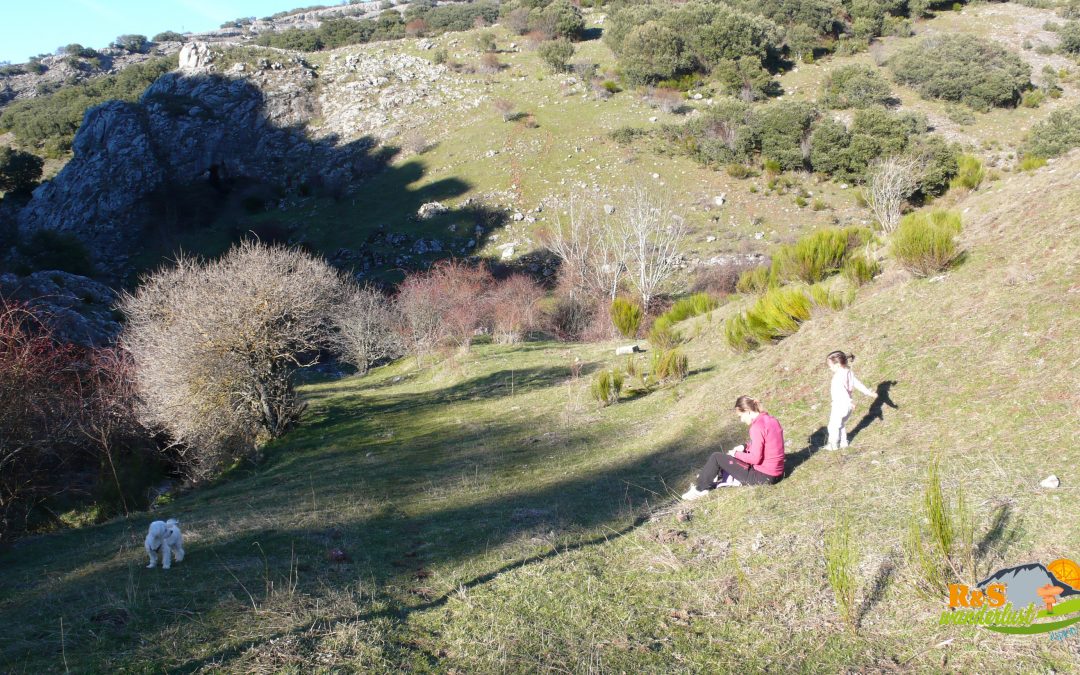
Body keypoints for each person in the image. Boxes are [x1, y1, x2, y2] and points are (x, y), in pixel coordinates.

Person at [681, 396, 785, 501]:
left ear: (748, 411)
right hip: (778, 473)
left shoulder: (756, 427)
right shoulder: (772, 420)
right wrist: (744, 447)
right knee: (736, 455)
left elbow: (755, 459)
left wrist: (735, 454)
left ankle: (700, 489)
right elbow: (762, 442)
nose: (741, 420)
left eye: (741, 416)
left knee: (716, 457)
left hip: (764, 477)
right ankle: (714, 475)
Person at [825, 350, 875, 450]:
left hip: (840, 404)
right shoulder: (848, 372)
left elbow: (842, 391)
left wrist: (849, 402)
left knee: (833, 426)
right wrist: (869, 393)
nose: (830, 368)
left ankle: (833, 445)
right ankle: (844, 442)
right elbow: (857, 384)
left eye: (830, 366)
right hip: (847, 406)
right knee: (841, 424)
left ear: (838, 364)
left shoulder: (837, 377)